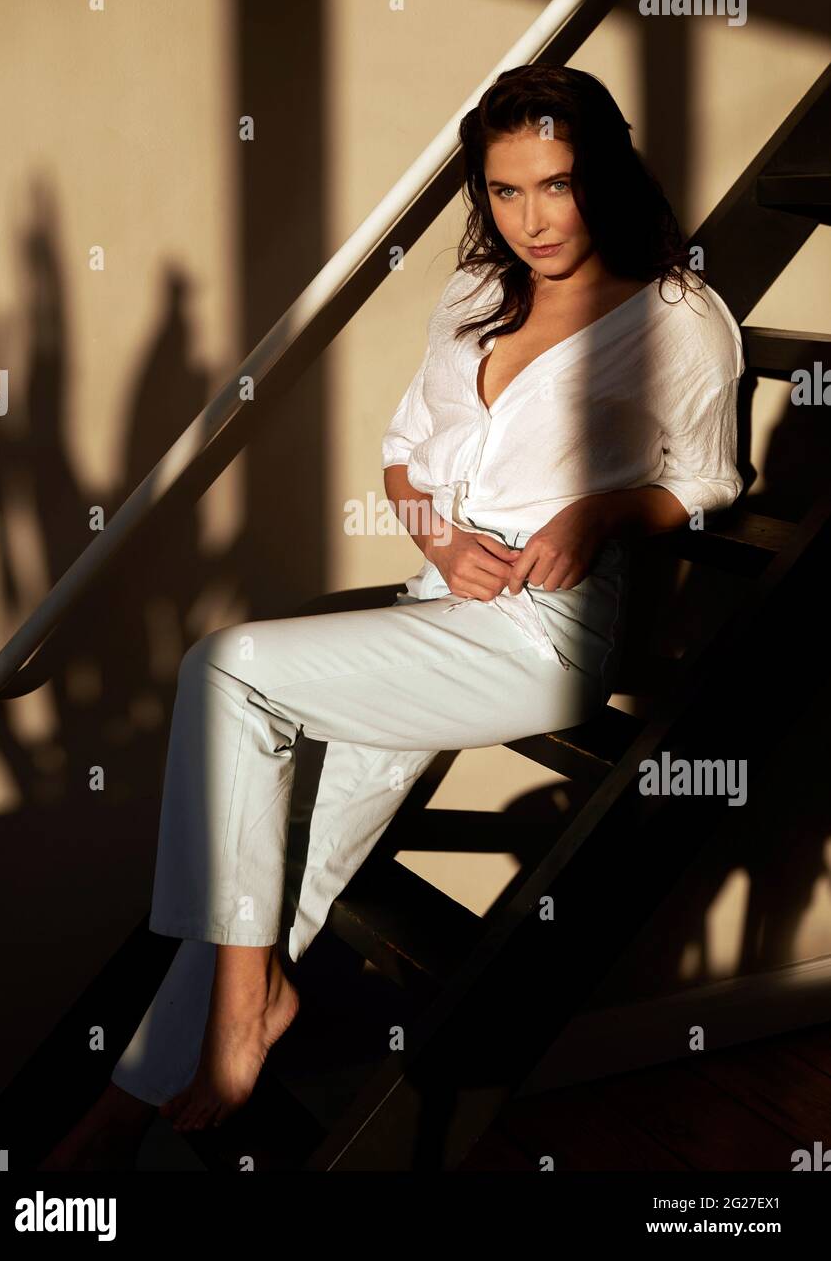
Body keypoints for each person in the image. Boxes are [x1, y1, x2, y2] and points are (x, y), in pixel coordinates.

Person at [39, 62, 744, 1169]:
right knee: (283, 853)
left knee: (227, 672)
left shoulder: (677, 317)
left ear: (600, 172)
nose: (530, 220)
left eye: (553, 186)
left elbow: (709, 480)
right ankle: (124, 1111)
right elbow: (404, 454)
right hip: (435, 612)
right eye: (504, 192)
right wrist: (432, 535)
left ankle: (242, 999)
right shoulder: (473, 295)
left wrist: (603, 512)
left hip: (545, 635)